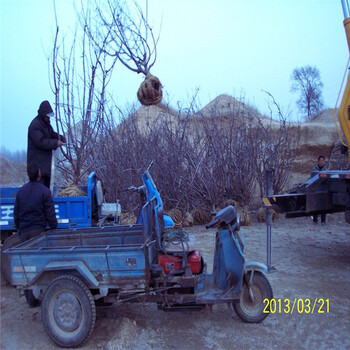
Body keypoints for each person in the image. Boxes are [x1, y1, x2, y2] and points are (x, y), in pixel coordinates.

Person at [14, 163, 58, 242]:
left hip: (23, 232)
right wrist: (54, 226)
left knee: (25, 254)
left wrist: (19, 227)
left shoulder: (21, 191)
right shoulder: (44, 191)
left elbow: (16, 213)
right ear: (39, 174)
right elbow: (50, 212)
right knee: (37, 254)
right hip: (38, 230)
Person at [27, 100, 66, 188]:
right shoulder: (35, 126)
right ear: (43, 115)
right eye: (47, 117)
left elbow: (52, 134)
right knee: (40, 190)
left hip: (46, 167)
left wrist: (61, 138)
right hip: (38, 168)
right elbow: (41, 142)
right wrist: (56, 143)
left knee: (46, 190)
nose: (49, 119)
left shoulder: (45, 124)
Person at [311, 155, 327, 225]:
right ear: (318, 161)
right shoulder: (314, 170)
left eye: (323, 160)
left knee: (323, 206)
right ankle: (315, 221)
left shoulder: (326, 170)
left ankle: (323, 221)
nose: (321, 162)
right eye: (320, 160)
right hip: (316, 190)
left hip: (323, 190)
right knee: (315, 206)